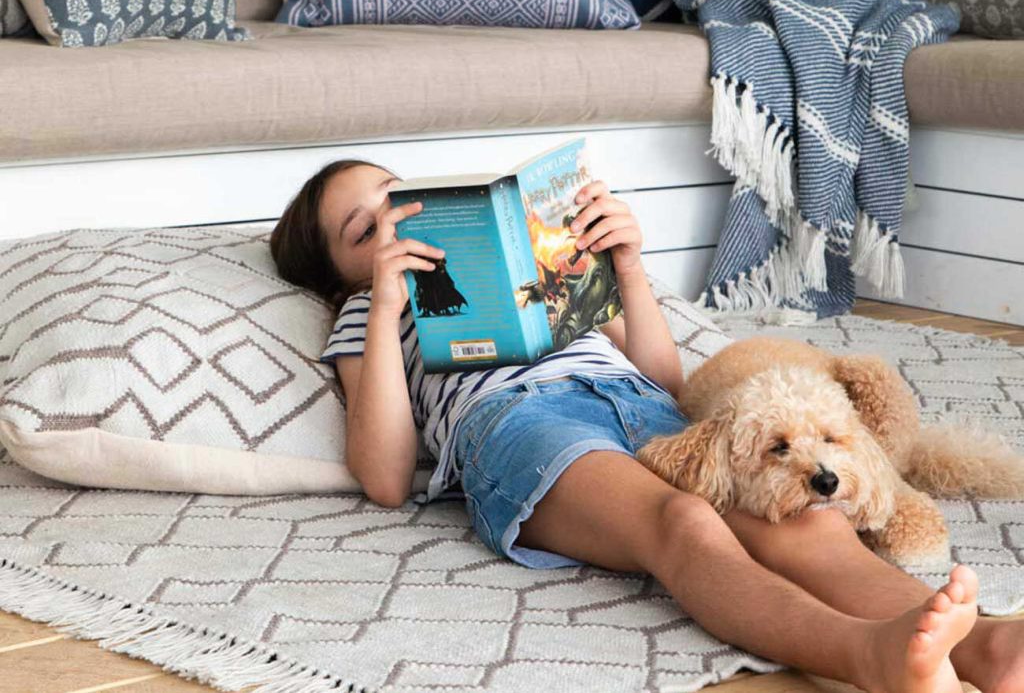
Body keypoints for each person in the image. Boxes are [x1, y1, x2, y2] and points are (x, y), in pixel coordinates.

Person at [270, 159, 1023, 693]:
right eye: (362, 229)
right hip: (522, 426)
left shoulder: (534, 266)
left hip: (637, 404)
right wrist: (389, 307)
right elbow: (384, 476)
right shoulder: (370, 311)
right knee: (684, 521)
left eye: (394, 201)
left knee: (799, 512)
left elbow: (668, 385)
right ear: (340, 273)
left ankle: (988, 648)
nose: (388, 224)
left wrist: (627, 266)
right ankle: (870, 657)